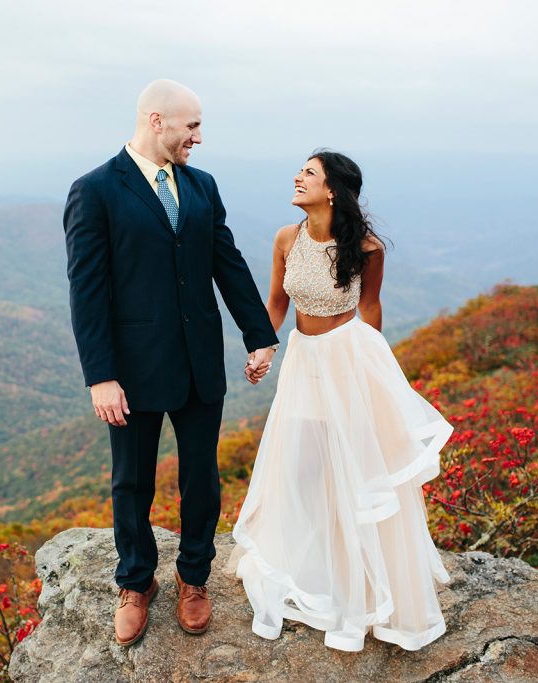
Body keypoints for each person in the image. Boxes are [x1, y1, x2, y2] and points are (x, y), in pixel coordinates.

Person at [64, 79, 279, 647]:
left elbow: (226, 263)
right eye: (192, 126)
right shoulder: (95, 190)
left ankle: (193, 578)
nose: (199, 138)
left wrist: (259, 335)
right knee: (131, 481)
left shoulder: (203, 186)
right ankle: (135, 585)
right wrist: (100, 376)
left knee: (201, 479)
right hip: (130, 371)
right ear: (157, 120)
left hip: (200, 360)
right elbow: (87, 291)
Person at [228, 150, 454, 652]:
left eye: (308, 172)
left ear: (332, 190)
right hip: (303, 365)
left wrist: (371, 383)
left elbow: (370, 309)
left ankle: (360, 590)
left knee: (351, 474)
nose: (297, 177)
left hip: (349, 361)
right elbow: (278, 303)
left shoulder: (367, 248)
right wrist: (262, 347)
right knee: (303, 467)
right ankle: (312, 572)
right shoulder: (286, 238)